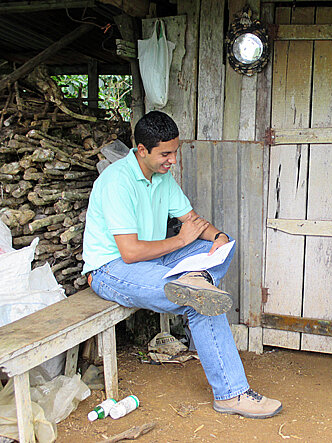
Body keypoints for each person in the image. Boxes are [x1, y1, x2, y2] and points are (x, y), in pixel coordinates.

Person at [82, 110, 282, 419]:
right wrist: (180, 241)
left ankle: (195, 278)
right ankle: (231, 394)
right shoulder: (117, 182)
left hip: (154, 259)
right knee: (200, 301)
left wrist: (218, 235)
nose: (172, 160)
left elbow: (191, 221)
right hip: (111, 270)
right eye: (166, 153)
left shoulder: (161, 178)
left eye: (174, 151)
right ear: (142, 150)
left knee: (221, 249)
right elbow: (131, 252)